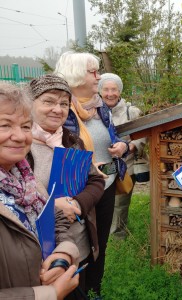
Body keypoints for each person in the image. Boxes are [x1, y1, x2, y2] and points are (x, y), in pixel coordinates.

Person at [54, 51, 129, 297]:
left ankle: (95, 289)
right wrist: (86, 168)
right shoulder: (62, 111)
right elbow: (59, 151)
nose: (98, 76)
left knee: (101, 243)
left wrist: (121, 146)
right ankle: (78, 288)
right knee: (79, 242)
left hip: (105, 185)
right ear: (77, 75)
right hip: (78, 188)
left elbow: (112, 135)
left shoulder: (100, 108)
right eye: (93, 72)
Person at [27, 74, 106, 299]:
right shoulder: (19, 146)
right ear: (30, 104)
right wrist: (53, 204)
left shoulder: (72, 141)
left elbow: (96, 180)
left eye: (64, 103)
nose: (58, 109)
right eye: (49, 101)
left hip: (78, 243)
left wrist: (77, 203)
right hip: (40, 253)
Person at [0, 82, 79, 299]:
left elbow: (55, 220)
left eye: (26, 126)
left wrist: (63, 255)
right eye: (5, 125)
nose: (19, 136)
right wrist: (48, 293)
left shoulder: (25, 178)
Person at [98, 73, 149, 239]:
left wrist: (131, 146)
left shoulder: (131, 112)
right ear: (100, 91)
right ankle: (100, 232)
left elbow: (143, 135)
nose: (110, 93)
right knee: (102, 199)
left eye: (114, 89)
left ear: (119, 91)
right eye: (106, 89)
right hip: (102, 165)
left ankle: (118, 236)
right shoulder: (93, 111)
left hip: (125, 165)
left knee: (120, 202)